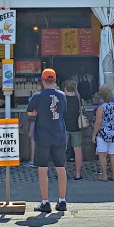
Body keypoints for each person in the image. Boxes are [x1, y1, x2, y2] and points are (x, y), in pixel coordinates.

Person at [27, 68, 68, 212]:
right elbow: (63, 112)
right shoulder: (62, 95)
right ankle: (62, 201)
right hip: (59, 135)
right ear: (55, 80)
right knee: (60, 167)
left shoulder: (37, 96)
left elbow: (30, 112)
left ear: (43, 81)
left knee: (42, 168)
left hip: (43, 136)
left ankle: (45, 202)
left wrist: (38, 113)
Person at [92, 85, 114, 182]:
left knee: (102, 155)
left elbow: (98, 122)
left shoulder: (101, 107)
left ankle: (104, 175)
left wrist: (94, 134)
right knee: (113, 154)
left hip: (103, 133)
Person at [63, 81, 84, 180]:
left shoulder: (62, 99)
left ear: (65, 88)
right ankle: (78, 174)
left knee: (62, 151)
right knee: (78, 150)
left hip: (64, 127)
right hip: (76, 127)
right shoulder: (78, 99)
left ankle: (63, 173)